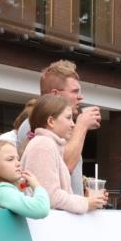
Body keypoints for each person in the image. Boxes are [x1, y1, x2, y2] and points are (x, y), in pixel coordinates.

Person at [17, 60, 102, 194]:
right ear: (55, 94)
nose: (80, 97)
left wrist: (84, 191)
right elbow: (65, 165)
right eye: (74, 92)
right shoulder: (34, 123)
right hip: (53, 212)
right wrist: (82, 126)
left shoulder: (61, 126)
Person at [20, 95, 108, 214]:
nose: (73, 124)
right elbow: (50, 196)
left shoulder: (48, 144)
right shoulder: (43, 144)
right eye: (68, 118)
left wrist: (87, 200)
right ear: (51, 121)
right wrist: (85, 203)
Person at [0, 139, 50, 219]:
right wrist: (36, 186)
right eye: (10, 159)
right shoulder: (1, 191)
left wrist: (21, 186)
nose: (18, 163)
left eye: (18, 159)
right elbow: (41, 209)